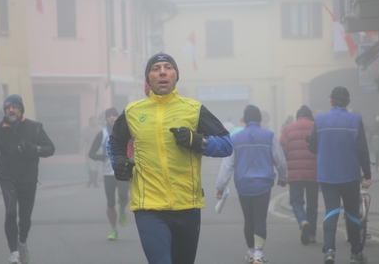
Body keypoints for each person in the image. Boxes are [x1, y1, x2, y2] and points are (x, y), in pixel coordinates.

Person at [108, 52, 233, 264]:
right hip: (149, 208)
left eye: (168, 67)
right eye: (156, 69)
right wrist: (118, 162)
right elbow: (115, 143)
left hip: (187, 205)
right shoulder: (132, 111)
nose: (163, 72)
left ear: (176, 75)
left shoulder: (194, 109)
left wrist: (198, 141)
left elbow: (226, 144)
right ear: (148, 79)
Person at [306, 86, 372, 264]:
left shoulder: (319, 120)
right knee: (351, 213)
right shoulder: (356, 120)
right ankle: (355, 253)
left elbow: (312, 146)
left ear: (330, 101)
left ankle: (329, 251)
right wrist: (367, 174)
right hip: (350, 174)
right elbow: (362, 150)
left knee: (331, 211)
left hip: (327, 173)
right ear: (348, 102)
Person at [215, 104, 287, 264]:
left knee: (248, 219)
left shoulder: (236, 138)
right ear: (260, 119)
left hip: (243, 185)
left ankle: (250, 251)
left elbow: (227, 165)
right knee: (260, 219)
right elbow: (280, 159)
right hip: (263, 185)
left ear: (245, 120)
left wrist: (220, 187)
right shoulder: (269, 136)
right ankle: (258, 255)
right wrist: (283, 178)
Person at [0, 94, 55, 264]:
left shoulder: (34, 127)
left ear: (20, 109)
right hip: (7, 178)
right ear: (4, 111)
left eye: (14, 107)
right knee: (10, 212)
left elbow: (50, 148)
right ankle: (13, 252)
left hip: (28, 179)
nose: (11, 110)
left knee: (25, 217)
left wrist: (33, 148)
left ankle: (21, 243)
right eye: (8, 108)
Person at [279, 105, 318, 245]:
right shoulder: (317, 127)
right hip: (314, 172)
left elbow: (281, 153)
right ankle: (312, 234)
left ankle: (303, 220)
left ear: (297, 117)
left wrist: (282, 174)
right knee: (313, 204)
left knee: (296, 201)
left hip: (294, 172)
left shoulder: (288, 129)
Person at [89, 107, 129, 240]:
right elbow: (91, 153)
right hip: (108, 173)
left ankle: (122, 210)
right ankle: (113, 230)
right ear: (106, 119)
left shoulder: (125, 131)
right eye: (109, 116)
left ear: (118, 118)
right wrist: (101, 157)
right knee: (111, 203)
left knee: (124, 196)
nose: (112, 117)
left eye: (114, 115)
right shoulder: (102, 134)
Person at [80, 116, 102, 187]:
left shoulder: (100, 128)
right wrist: (81, 149)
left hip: (98, 149)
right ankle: (92, 180)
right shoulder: (85, 129)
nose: (94, 123)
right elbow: (82, 140)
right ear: (90, 122)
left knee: (96, 165)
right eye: (93, 121)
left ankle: (94, 181)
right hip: (89, 148)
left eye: (95, 121)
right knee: (89, 166)